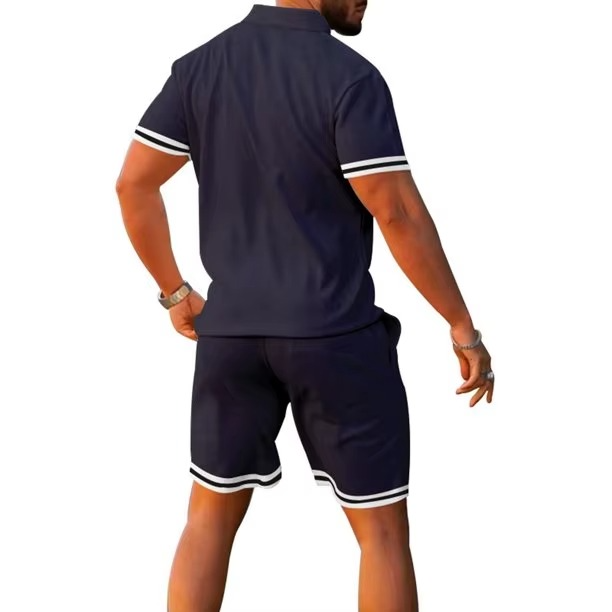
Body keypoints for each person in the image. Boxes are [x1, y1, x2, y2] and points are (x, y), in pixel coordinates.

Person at [115, 1, 494, 610]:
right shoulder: (350, 78)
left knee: (207, 520)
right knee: (381, 534)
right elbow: (395, 210)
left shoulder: (199, 68)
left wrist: (176, 292)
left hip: (230, 338)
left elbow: (133, 183)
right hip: (335, 336)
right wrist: (461, 325)